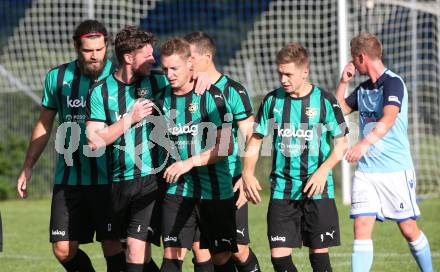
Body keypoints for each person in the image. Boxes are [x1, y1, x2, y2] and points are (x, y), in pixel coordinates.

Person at [16, 20, 124, 272]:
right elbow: (44, 124)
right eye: (88, 50)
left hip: (110, 177)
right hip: (69, 176)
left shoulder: (119, 76)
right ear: (77, 47)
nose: (95, 56)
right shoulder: (57, 77)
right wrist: (28, 166)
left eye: (99, 49)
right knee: (63, 249)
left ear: (106, 46)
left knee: (113, 245)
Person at [242, 42, 348, 272]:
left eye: (288, 74)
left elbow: (341, 144)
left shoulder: (325, 101)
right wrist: (247, 172)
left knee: (319, 257)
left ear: (304, 72)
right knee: (279, 258)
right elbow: (256, 139)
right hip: (282, 189)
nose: (283, 79)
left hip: (318, 189)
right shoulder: (272, 101)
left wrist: (322, 171)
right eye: (280, 73)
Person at [335, 32, 433, 272]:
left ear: (360, 57)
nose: (353, 65)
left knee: (408, 229)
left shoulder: (393, 83)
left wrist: (363, 144)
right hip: (366, 172)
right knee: (361, 227)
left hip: (395, 170)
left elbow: (389, 118)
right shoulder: (362, 89)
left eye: (353, 60)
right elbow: (337, 113)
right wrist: (343, 82)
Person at [86, 26, 169, 272]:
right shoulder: (101, 91)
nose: (154, 60)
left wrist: (203, 75)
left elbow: (187, 77)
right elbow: (95, 141)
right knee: (124, 251)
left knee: (135, 246)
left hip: (149, 179)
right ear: (128, 58)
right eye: (148, 55)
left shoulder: (158, 81)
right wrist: (129, 119)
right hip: (115, 182)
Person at [156, 37, 238, 272]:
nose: (169, 74)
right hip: (178, 188)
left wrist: (188, 163)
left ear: (190, 63)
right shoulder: (161, 99)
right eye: (165, 69)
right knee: (171, 254)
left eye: (175, 68)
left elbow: (226, 148)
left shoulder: (212, 96)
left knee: (220, 257)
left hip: (215, 190)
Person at [184, 31, 261, 272]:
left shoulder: (233, 91)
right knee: (202, 251)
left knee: (235, 250)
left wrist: (247, 175)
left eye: (190, 58)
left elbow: (251, 135)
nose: (186, 64)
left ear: (206, 57)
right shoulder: (182, 89)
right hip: (192, 183)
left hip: (228, 181)